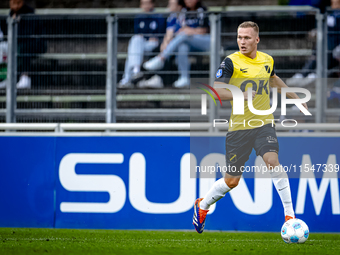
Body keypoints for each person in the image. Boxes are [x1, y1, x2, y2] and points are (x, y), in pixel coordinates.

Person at [192, 21, 309, 234]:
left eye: (246, 38)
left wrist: (294, 97)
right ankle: (203, 205)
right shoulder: (230, 62)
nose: (242, 42)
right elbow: (216, 91)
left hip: (264, 123)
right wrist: (241, 94)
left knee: (272, 161)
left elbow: (273, 79)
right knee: (231, 181)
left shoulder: (267, 59)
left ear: (257, 39)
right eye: (239, 37)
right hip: (239, 128)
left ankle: (290, 216)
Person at [143, 0, 210, 88]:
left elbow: (205, 30)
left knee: (184, 35)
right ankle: (184, 78)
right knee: (182, 47)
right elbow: (179, 29)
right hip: (190, 42)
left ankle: (161, 58)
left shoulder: (202, 10)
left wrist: (191, 31)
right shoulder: (184, 12)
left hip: (206, 41)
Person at [137, 0, 186, 88]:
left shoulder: (186, 15)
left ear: (179, 6)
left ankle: (160, 78)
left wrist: (167, 44)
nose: (168, 6)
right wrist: (165, 43)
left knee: (176, 50)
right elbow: (169, 33)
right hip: (172, 46)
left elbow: (184, 32)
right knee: (159, 48)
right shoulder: (172, 16)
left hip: (184, 45)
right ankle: (154, 78)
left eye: (171, 4)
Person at [118, 0, 166, 89]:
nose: (146, 5)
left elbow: (161, 34)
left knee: (133, 52)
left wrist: (153, 38)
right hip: (141, 44)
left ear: (152, 4)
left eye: (148, 3)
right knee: (135, 40)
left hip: (153, 44)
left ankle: (127, 79)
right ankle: (135, 71)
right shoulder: (139, 16)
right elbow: (138, 33)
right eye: (143, 3)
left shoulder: (159, 16)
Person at [9, 0, 35, 89]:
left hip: (35, 43)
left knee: (25, 48)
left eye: (18, 3)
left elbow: (27, 34)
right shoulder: (11, 13)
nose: (15, 6)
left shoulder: (29, 13)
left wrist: (17, 24)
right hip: (18, 43)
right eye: (13, 3)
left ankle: (25, 77)